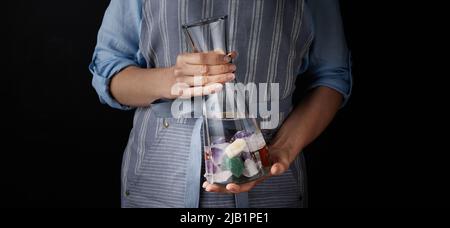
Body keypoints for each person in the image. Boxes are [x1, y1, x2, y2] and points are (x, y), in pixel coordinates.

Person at [89, 0, 352, 208]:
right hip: (158, 186)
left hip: (272, 187)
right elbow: (109, 75)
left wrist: (285, 146)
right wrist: (172, 79)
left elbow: (331, 76)